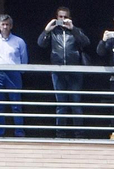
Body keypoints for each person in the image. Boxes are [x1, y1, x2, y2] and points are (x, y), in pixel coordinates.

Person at [38, 7, 91, 140]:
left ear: (70, 18)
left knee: (76, 104)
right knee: (61, 105)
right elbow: (40, 44)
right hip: (58, 70)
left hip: (75, 70)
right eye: (60, 17)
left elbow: (86, 42)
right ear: (57, 18)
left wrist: (73, 28)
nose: (63, 20)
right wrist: (47, 29)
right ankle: (60, 135)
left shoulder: (76, 31)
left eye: (65, 17)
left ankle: (79, 135)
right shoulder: (53, 32)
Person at [0, 14, 28, 137]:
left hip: (14, 72)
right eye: (3, 24)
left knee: (16, 104)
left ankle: (19, 132)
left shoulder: (19, 41)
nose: (5, 27)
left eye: (7, 24)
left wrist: (20, 70)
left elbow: (24, 58)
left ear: (11, 26)